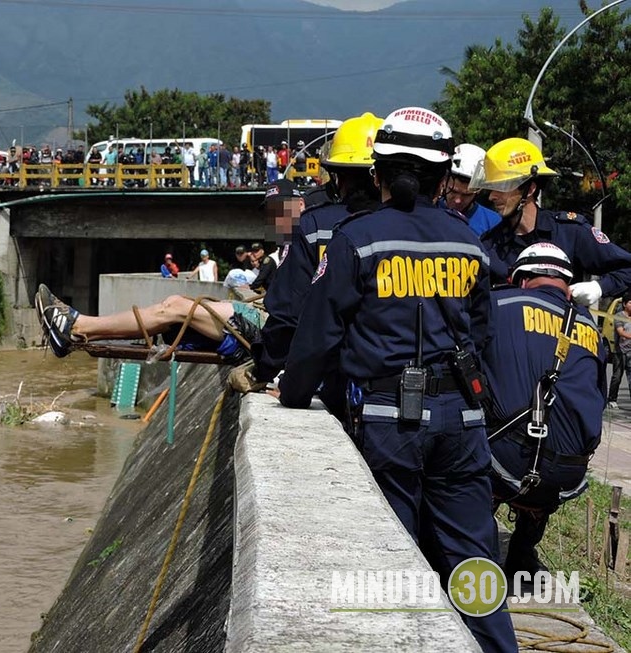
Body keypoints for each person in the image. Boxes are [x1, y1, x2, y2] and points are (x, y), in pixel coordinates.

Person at [278, 107, 516, 652]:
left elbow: (316, 338)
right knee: (474, 566)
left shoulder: (356, 238)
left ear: (378, 172)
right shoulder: (467, 242)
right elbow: (482, 334)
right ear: (442, 176)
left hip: (390, 422)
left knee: (393, 566)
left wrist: (291, 395)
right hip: (462, 422)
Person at [483, 242, 606, 580]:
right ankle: (523, 551)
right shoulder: (593, 331)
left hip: (504, 460)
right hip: (567, 474)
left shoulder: (498, 303)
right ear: (568, 287)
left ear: (521, 279)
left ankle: (475, 548)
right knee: (558, 434)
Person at [252, 112, 384, 388]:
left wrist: (266, 370)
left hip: (330, 380)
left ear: (336, 176)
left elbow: (288, 314)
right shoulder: (418, 230)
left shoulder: (313, 227)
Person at [471, 137, 631, 303]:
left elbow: (627, 268)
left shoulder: (569, 232)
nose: (492, 196)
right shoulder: (489, 246)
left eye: (501, 187)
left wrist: (599, 288)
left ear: (530, 188)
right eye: (491, 188)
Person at [35, 284, 263, 365]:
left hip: (263, 327)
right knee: (175, 314)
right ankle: (76, 335)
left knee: (175, 307)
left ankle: (77, 327)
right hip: (265, 318)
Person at [440, 143, 501, 236]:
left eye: (466, 195)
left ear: (479, 190)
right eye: (453, 191)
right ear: (444, 181)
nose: (458, 200)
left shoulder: (493, 223)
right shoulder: (428, 210)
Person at [608, 294, 631, 408]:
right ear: (624, 304)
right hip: (620, 352)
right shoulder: (619, 316)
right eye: (630, 303)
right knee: (617, 376)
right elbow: (621, 332)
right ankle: (612, 399)